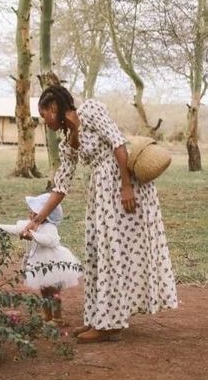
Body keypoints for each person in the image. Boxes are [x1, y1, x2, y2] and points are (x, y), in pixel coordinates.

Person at [25, 85, 177, 343]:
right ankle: (99, 318)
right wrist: (38, 218)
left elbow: (118, 142)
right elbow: (61, 185)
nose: (44, 122)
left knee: (113, 253)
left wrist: (126, 186)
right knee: (99, 253)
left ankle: (112, 325)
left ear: (53, 108)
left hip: (121, 186)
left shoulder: (91, 110)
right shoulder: (67, 143)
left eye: (44, 115)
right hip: (101, 193)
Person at [0, 193, 81, 327]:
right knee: (44, 290)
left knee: (54, 291)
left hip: (54, 263)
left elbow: (50, 241)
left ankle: (57, 318)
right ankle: (47, 315)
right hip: (40, 263)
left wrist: (33, 235)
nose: (30, 214)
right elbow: (16, 229)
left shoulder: (49, 228)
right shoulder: (30, 225)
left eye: (34, 212)